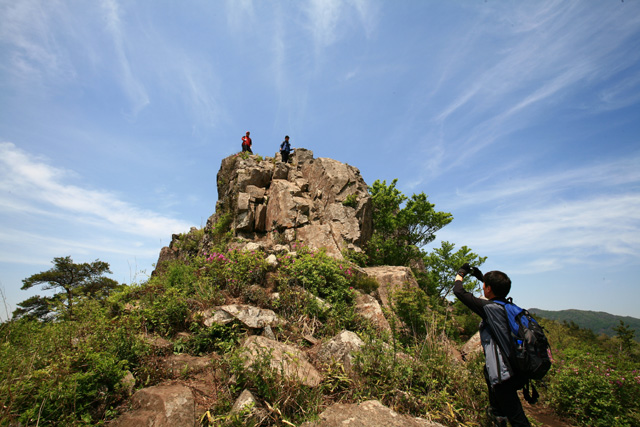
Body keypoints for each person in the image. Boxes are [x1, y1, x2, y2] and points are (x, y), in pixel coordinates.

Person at [454, 263, 531, 427]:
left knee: (518, 419)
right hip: (517, 367)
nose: (483, 288)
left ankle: (499, 417)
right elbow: (496, 291)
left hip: (504, 373)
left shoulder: (489, 308)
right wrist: (481, 277)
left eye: (484, 285)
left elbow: (459, 292)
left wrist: (461, 273)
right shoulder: (509, 306)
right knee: (498, 400)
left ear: (488, 289)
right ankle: (498, 416)